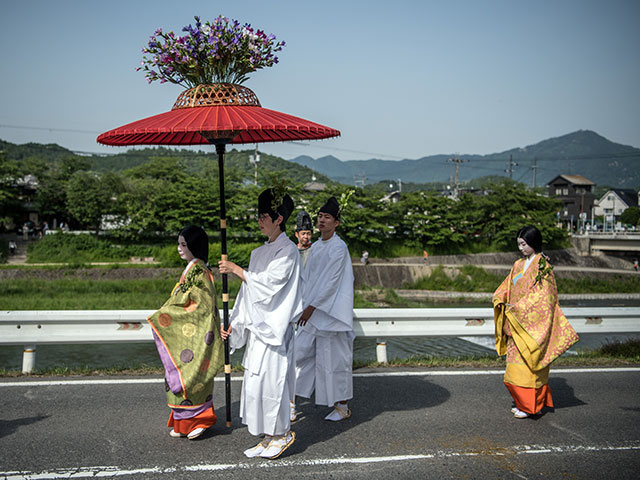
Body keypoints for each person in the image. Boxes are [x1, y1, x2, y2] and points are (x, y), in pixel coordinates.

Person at [219, 189, 302, 460]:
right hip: (257, 329)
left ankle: (282, 433)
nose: (259, 221)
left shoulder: (289, 251)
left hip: (275, 330)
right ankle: (267, 435)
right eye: (258, 216)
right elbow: (248, 295)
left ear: (279, 219)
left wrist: (237, 270)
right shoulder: (259, 253)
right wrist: (235, 323)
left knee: (273, 383)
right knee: (256, 384)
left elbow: (269, 286)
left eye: (264, 216)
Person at [493, 226, 579, 419]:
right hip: (515, 324)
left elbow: (545, 298)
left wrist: (517, 309)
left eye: (524, 244)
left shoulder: (543, 267)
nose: (521, 248)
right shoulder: (517, 265)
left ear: (533, 243)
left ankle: (532, 406)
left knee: (531, 368)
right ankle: (523, 403)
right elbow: (506, 286)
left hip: (530, 326)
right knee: (515, 369)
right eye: (519, 244)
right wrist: (499, 298)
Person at [147, 226, 224, 439]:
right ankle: (184, 423)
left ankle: (201, 420)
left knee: (193, 377)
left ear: (194, 246)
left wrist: (167, 314)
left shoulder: (200, 273)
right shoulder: (193, 270)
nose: (180, 249)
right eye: (179, 244)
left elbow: (201, 307)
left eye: (184, 245)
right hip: (188, 333)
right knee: (181, 375)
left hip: (198, 334)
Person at [293, 196, 355, 422]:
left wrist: (311, 307)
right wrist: (303, 306)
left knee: (335, 360)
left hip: (331, 314)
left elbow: (331, 283)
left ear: (336, 222)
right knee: (300, 355)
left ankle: (342, 406)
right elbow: (308, 279)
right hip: (311, 311)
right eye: (320, 216)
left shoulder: (339, 248)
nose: (321, 221)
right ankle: (292, 402)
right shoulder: (317, 247)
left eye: (327, 217)